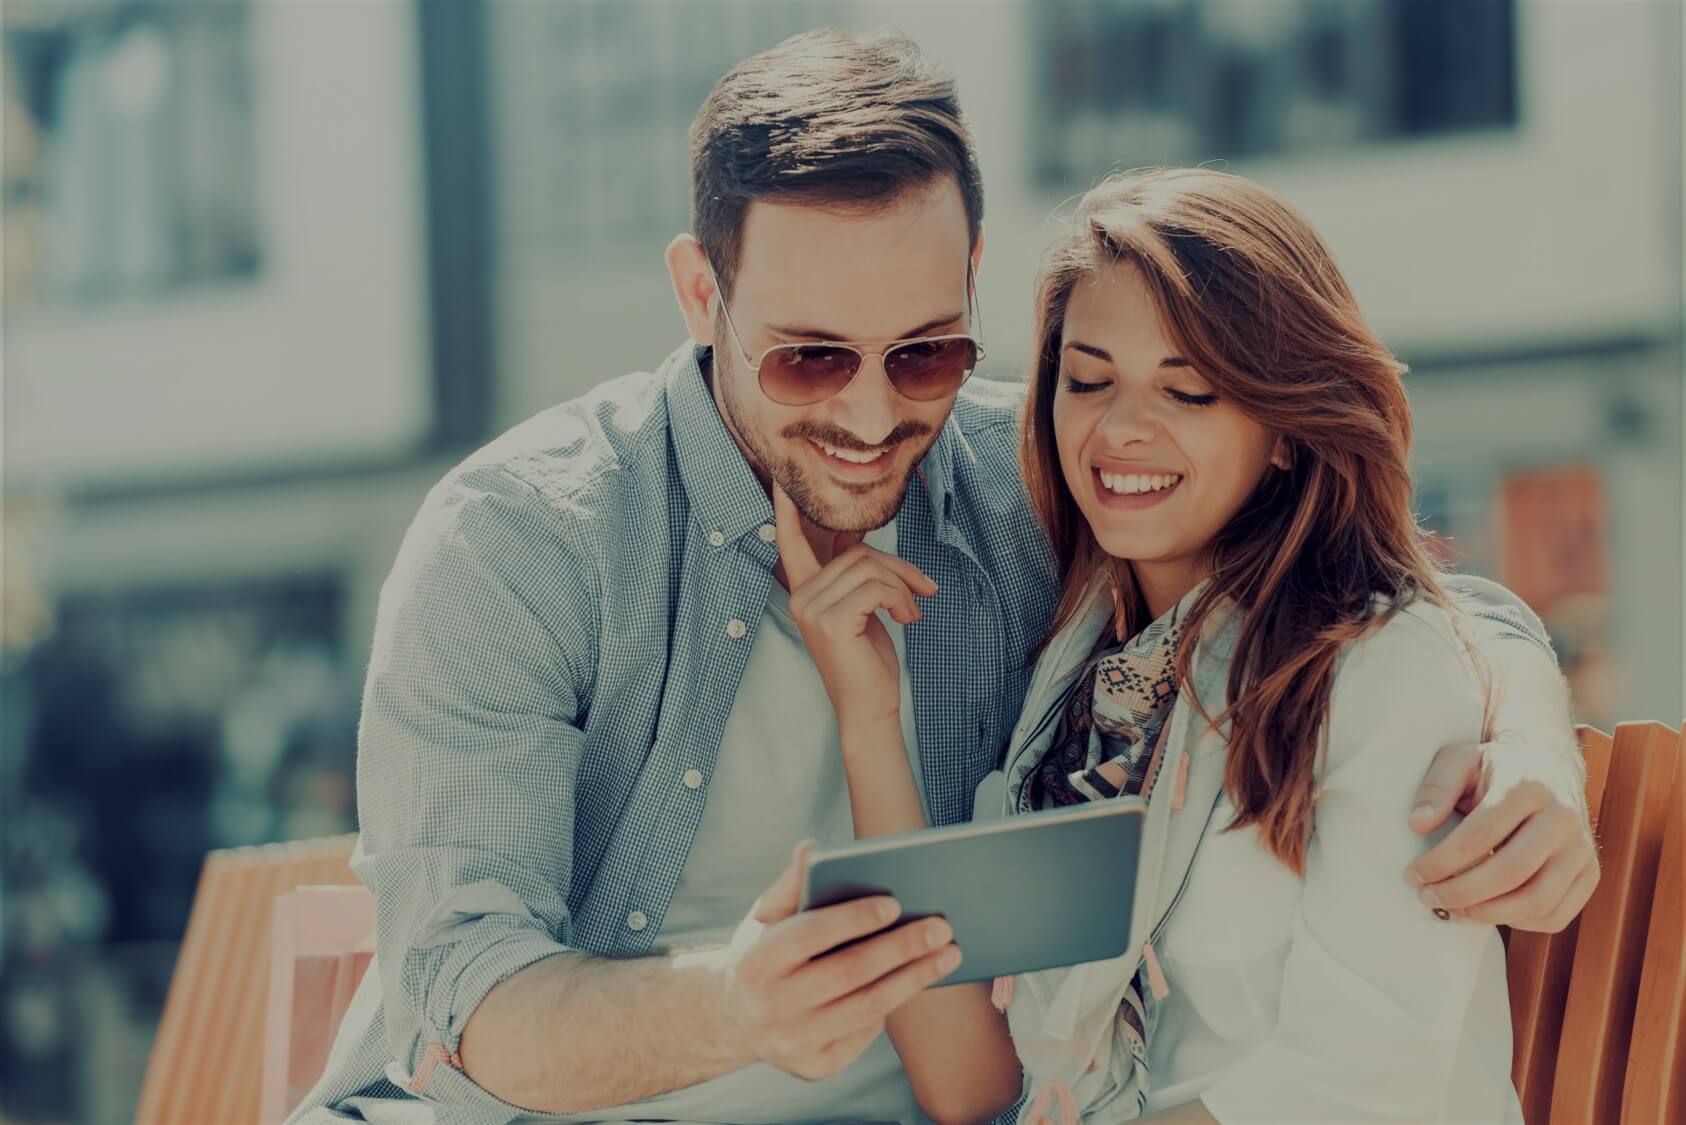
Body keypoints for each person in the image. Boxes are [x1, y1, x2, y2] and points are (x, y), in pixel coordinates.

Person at [292, 31, 1596, 1125]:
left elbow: (1347, 582)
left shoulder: (1038, 477)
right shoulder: (530, 540)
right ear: (700, 292)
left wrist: (1533, 742)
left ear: (971, 282)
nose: (871, 417)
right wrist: (738, 1001)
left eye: (922, 354)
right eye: (809, 359)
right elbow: (472, 997)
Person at [778, 168, 1576, 1123]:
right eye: (1088, 378)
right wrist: (869, 718)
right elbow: (973, 1083)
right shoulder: (1082, 698)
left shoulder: (1379, 669)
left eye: (1189, 390)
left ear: (1284, 428)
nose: (1122, 429)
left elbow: (1364, 1074)